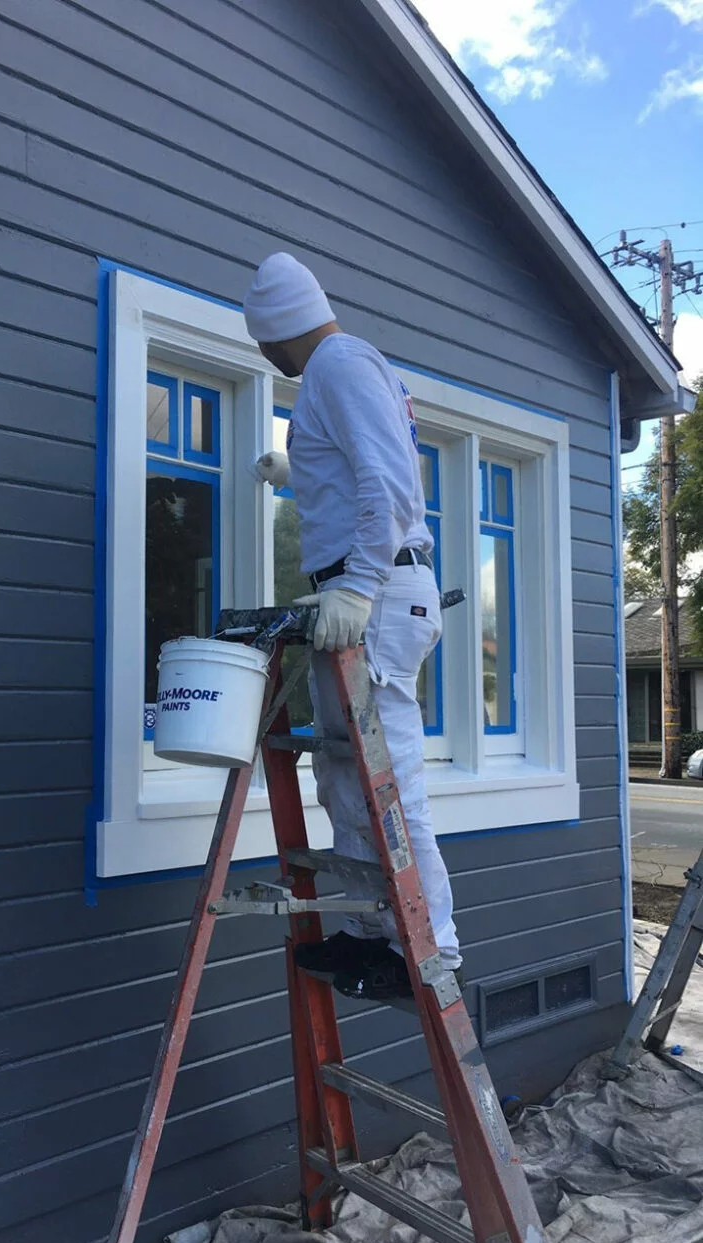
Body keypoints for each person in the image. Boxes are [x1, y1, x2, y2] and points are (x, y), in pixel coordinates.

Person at [243, 252, 462, 1001]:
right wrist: (297, 469)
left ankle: (430, 949)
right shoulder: (339, 374)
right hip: (363, 593)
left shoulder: (338, 365)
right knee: (346, 772)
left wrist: (360, 584)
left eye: (261, 341)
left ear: (276, 331)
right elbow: (356, 467)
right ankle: (376, 934)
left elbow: (392, 481)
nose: (264, 355)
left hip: (377, 590)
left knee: (390, 781)